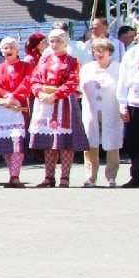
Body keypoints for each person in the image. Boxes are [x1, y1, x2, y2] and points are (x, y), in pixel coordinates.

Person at [28, 29, 85, 187]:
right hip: (45, 102)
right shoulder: (44, 60)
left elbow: (72, 81)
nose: (54, 44)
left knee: (64, 142)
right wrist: (40, 93)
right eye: (52, 41)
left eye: (58, 41)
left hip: (63, 103)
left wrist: (56, 94)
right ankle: (49, 176)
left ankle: (65, 177)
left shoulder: (71, 61)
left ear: (65, 42)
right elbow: (34, 79)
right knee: (49, 141)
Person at [0, 38, 33, 188]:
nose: (8, 50)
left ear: (17, 50)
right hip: (3, 107)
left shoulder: (26, 66)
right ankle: (12, 175)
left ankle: (15, 175)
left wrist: (15, 96)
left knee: (17, 141)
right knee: (6, 143)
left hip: (19, 107)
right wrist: (6, 96)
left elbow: (27, 82)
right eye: (5, 48)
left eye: (11, 47)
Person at [79, 39, 122, 187]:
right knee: (90, 141)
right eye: (96, 50)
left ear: (110, 51)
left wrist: (124, 107)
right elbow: (80, 88)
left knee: (112, 140)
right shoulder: (87, 68)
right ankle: (91, 176)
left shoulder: (118, 68)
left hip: (112, 108)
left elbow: (122, 89)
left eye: (103, 49)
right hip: (91, 108)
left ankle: (111, 176)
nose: (99, 53)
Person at [117, 19, 139, 187]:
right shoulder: (131, 53)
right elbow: (123, 81)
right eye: (138, 34)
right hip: (135, 103)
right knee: (134, 142)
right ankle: (136, 177)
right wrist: (122, 105)